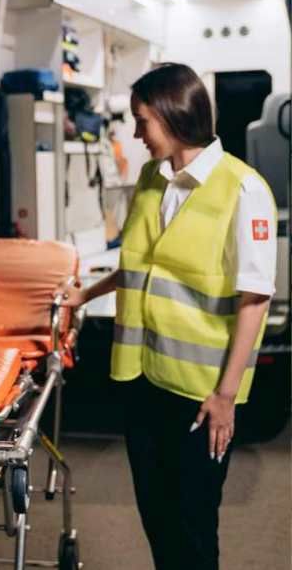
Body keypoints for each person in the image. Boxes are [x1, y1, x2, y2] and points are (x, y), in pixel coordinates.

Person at [59, 62, 276, 570]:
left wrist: (226, 397)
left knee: (194, 524)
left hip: (200, 395)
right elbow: (139, 264)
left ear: (175, 116)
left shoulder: (244, 191)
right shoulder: (152, 179)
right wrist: (85, 295)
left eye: (143, 122)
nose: (136, 134)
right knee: (158, 519)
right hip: (142, 382)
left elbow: (255, 298)